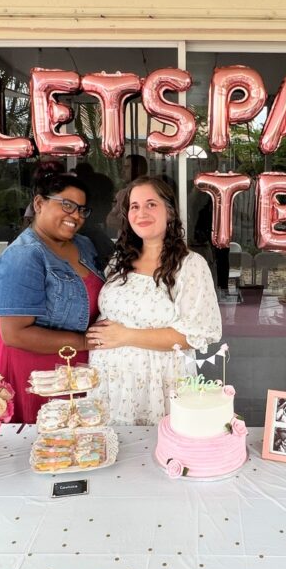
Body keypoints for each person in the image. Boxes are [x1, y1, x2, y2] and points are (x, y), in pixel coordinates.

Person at [0, 163, 104, 423]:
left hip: (68, 367)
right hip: (32, 372)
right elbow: (14, 333)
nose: (76, 215)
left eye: (81, 209)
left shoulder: (83, 244)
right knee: (41, 447)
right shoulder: (25, 255)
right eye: (67, 204)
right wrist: (83, 342)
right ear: (39, 203)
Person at [86, 176, 221, 425]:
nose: (142, 213)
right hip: (111, 382)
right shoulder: (119, 261)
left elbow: (194, 335)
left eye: (151, 204)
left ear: (169, 211)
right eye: (134, 206)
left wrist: (126, 336)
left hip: (158, 383)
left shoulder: (190, 266)